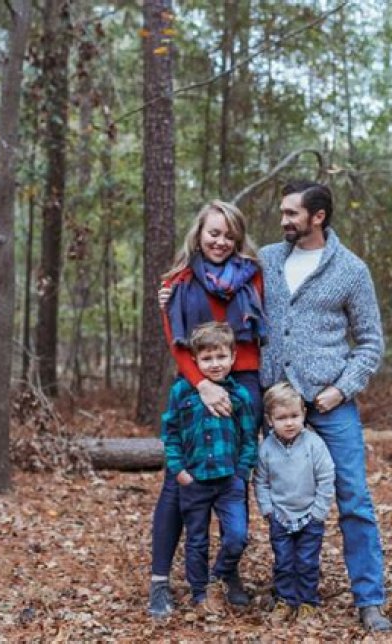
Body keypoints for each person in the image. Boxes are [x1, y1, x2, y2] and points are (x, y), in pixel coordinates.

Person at [258, 180, 392, 632]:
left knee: (353, 499)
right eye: (283, 212)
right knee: (280, 498)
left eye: (292, 213)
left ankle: (370, 600)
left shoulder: (351, 270)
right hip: (279, 406)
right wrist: (172, 293)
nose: (283, 220)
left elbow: (370, 342)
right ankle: (289, 590)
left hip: (330, 404)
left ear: (318, 217)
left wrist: (342, 388)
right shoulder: (267, 259)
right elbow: (222, 284)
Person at [148, 200, 266, 618]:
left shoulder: (253, 275)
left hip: (245, 381)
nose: (221, 241)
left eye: (229, 235)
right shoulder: (177, 282)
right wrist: (201, 386)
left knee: (235, 477)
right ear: (199, 234)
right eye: (214, 233)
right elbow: (177, 345)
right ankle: (160, 581)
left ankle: (227, 574)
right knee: (179, 482)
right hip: (195, 383)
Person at [162, 322, 258, 612]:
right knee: (197, 540)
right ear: (194, 360)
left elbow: (249, 438)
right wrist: (179, 471)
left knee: (237, 536)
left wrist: (241, 473)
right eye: (207, 358)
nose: (215, 364)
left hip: (229, 481)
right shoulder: (182, 392)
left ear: (233, 357)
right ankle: (200, 594)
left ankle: (218, 575)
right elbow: (171, 433)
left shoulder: (240, 396)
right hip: (195, 479)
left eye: (221, 357)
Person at [254, 382, 335, 621]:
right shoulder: (266, 448)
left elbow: (326, 477)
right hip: (280, 516)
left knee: (307, 562)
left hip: (310, 515)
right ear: (270, 420)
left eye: (294, 416)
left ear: (304, 414)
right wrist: (268, 510)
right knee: (284, 562)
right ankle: (286, 600)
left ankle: (308, 601)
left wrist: (318, 512)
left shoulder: (314, 444)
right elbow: (261, 481)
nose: (289, 423)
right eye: (281, 418)